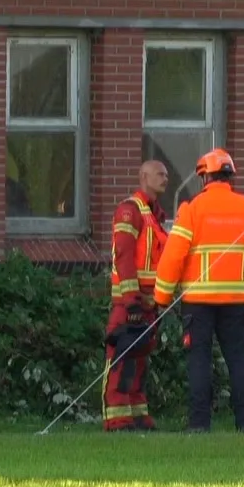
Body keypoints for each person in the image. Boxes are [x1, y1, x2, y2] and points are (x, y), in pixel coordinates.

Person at [153, 148, 244, 433]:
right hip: (236, 299)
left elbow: (173, 257)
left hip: (198, 301)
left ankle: (199, 424)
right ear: (230, 176)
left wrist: (161, 297)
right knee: (237, 358)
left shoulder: (192, 209)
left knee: (199, 359)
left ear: (205, 177)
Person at [102, 161, 170, 432]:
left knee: (140, 360)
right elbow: (124, 256)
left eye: (166, 174)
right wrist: (131, 299)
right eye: (160, 174)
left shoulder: (155, 216)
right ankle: (117, 418)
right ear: (143, 176)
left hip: (149, 303)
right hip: (130, 302)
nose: (165, 178)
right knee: (121, 358)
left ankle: (138, 414)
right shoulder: (130, 210)